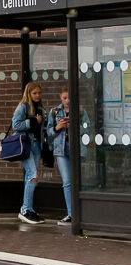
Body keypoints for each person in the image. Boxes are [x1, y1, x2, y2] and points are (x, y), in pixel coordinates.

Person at [47, 87, 89, 226]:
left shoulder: (80, 110)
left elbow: (87, 129)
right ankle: (71, 214)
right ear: (60, 97)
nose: (67, 101)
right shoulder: (54, 112)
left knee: (77, 181)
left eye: (69, 98)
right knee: (67, 182)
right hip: (61, 151)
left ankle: (81, 213)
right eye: (65, 98)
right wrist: (58, 127)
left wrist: (74, 126)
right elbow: (49, 132)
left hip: (77, 149)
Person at [12, 81, 46, 224]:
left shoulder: (41, 108)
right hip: (26, 145)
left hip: (36, 145)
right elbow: (16, 124)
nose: (37, 95)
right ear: (29, 93)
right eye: (34, 93)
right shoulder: (23, 107)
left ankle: (29, 209)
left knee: (30, 177)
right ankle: (25, 210)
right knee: (33, 175)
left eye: (39, 93)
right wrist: (32, 121)